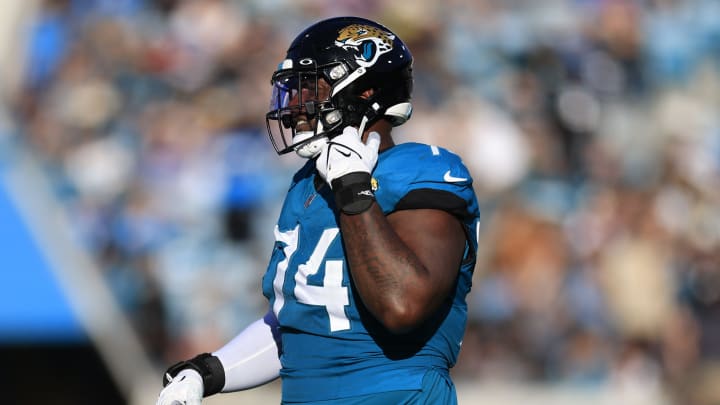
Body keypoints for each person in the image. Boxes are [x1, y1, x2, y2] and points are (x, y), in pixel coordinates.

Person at [156, 16, 480, 405]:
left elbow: (402, 304)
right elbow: (295, 324)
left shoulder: (421, 169)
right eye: (292, 91)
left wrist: (353, 190)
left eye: (310, 89)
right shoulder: (306, 187)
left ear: (365, 91)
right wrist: (208, 372)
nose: (294, 106)